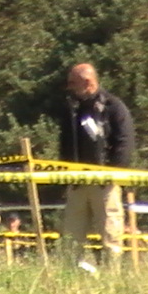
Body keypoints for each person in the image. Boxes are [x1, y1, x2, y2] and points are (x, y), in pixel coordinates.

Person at [58, 63, 135, 268]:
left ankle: (111, 276)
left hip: (105, 184)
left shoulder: (114, 107)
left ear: (87, 82)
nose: (69, 87)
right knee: (71, 237)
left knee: (111, 234)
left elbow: (125, 143)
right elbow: (65, 144)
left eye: (73, 82)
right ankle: (67, 276)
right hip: (77, 182)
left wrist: (112, 174)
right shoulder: (72, 109)